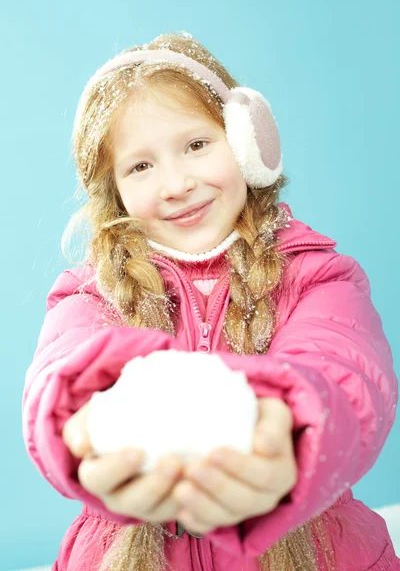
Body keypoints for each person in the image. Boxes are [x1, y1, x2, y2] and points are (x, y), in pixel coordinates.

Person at [22, 30, 400, 571]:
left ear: (248, 145)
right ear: (116, 190)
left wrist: (286, 435)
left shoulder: (318, 278)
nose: (175, 184)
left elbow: (345, 372)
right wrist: (81, 424)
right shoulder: (89, 293)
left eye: (196, 145)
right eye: (140, 166)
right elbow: (63, 369)